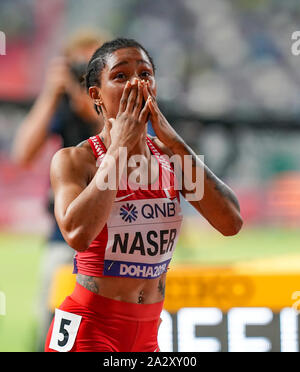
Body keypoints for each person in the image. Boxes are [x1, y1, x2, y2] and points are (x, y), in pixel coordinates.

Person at [44, 38, 243, 352]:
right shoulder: (76, 160)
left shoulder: (171, 157)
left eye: (145, 74)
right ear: (96, 94)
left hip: (148, 334)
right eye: (121, 76)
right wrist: (120, 147)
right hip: (90, 329)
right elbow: (77, 234)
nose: (136, 82)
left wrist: (174, 141)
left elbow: (231, 223)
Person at [11, 30, 107, 351]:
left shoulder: (119, 99)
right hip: (64, 233)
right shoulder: (64, 102)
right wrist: (52, 92)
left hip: (115, 234)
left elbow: (119, 145)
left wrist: (94, 108)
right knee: (53, 321)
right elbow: (22, 153)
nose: (84, 74)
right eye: (79, 66)